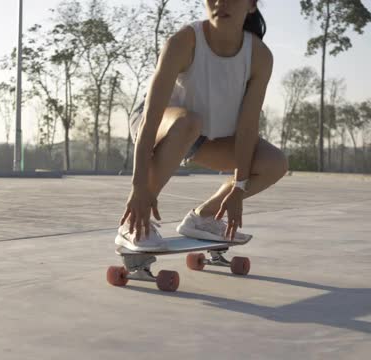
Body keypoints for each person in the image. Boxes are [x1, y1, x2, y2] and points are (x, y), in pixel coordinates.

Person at [116, 0, 288, 251]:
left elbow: (248, 128)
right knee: (189, 121)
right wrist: (139, 186)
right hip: (158, 123)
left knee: (274, 163)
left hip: (207, 138)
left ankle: (203, 218)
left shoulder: (259, 56)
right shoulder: (184, 42)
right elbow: (150, 119)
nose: (221, 2)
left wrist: (239, 187)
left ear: (251, 5)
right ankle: (134, 223)